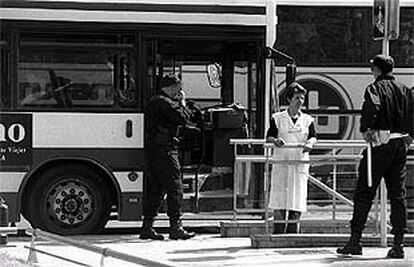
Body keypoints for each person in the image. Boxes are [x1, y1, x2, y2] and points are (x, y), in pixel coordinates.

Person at [337, 55, 414, 258]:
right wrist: (410, 136)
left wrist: (366, 128)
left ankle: (355, 240)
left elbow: (373, 106)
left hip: (379, 144)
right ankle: (398, 244)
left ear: (376, 70)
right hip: (400, 145)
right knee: (398, 195)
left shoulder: (375, 88)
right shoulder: (405, 90)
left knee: (364, 191)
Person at [140, 75, 196, 240]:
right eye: (178, 87)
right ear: (170, 87)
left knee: (157, 189)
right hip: (165, 150)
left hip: (155, 150)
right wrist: (183, 102)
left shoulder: (155, 101)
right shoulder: (164, 102)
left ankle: (147, 227)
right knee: (175, 187)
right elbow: (183, 118)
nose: (180, 91)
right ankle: (175, 227)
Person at [266, 82, 317, 234]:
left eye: (302, 98)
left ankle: (293, 233)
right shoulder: (278, 118)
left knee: (297, 200)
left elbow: (314, 137)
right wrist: (276, 141)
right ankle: (278, 233)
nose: (300, 101)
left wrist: (310, 144)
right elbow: (269, 136)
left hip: (299, 164)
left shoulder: (308, 120)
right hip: (282, 163)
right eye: (296, 98)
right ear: (289, 99)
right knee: (280, 199)